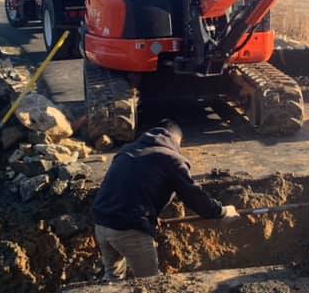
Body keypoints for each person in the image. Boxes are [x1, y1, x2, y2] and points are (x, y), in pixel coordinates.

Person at [92, 119, 238, 279]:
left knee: (113, 278)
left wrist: (151, 217)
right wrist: (221, 212)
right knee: (151, 284)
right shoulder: (172, 159)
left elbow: (131, 188)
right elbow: (194, 197)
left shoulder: (127, 150)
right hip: (129, 227)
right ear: (176, 139)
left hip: (101, 222)